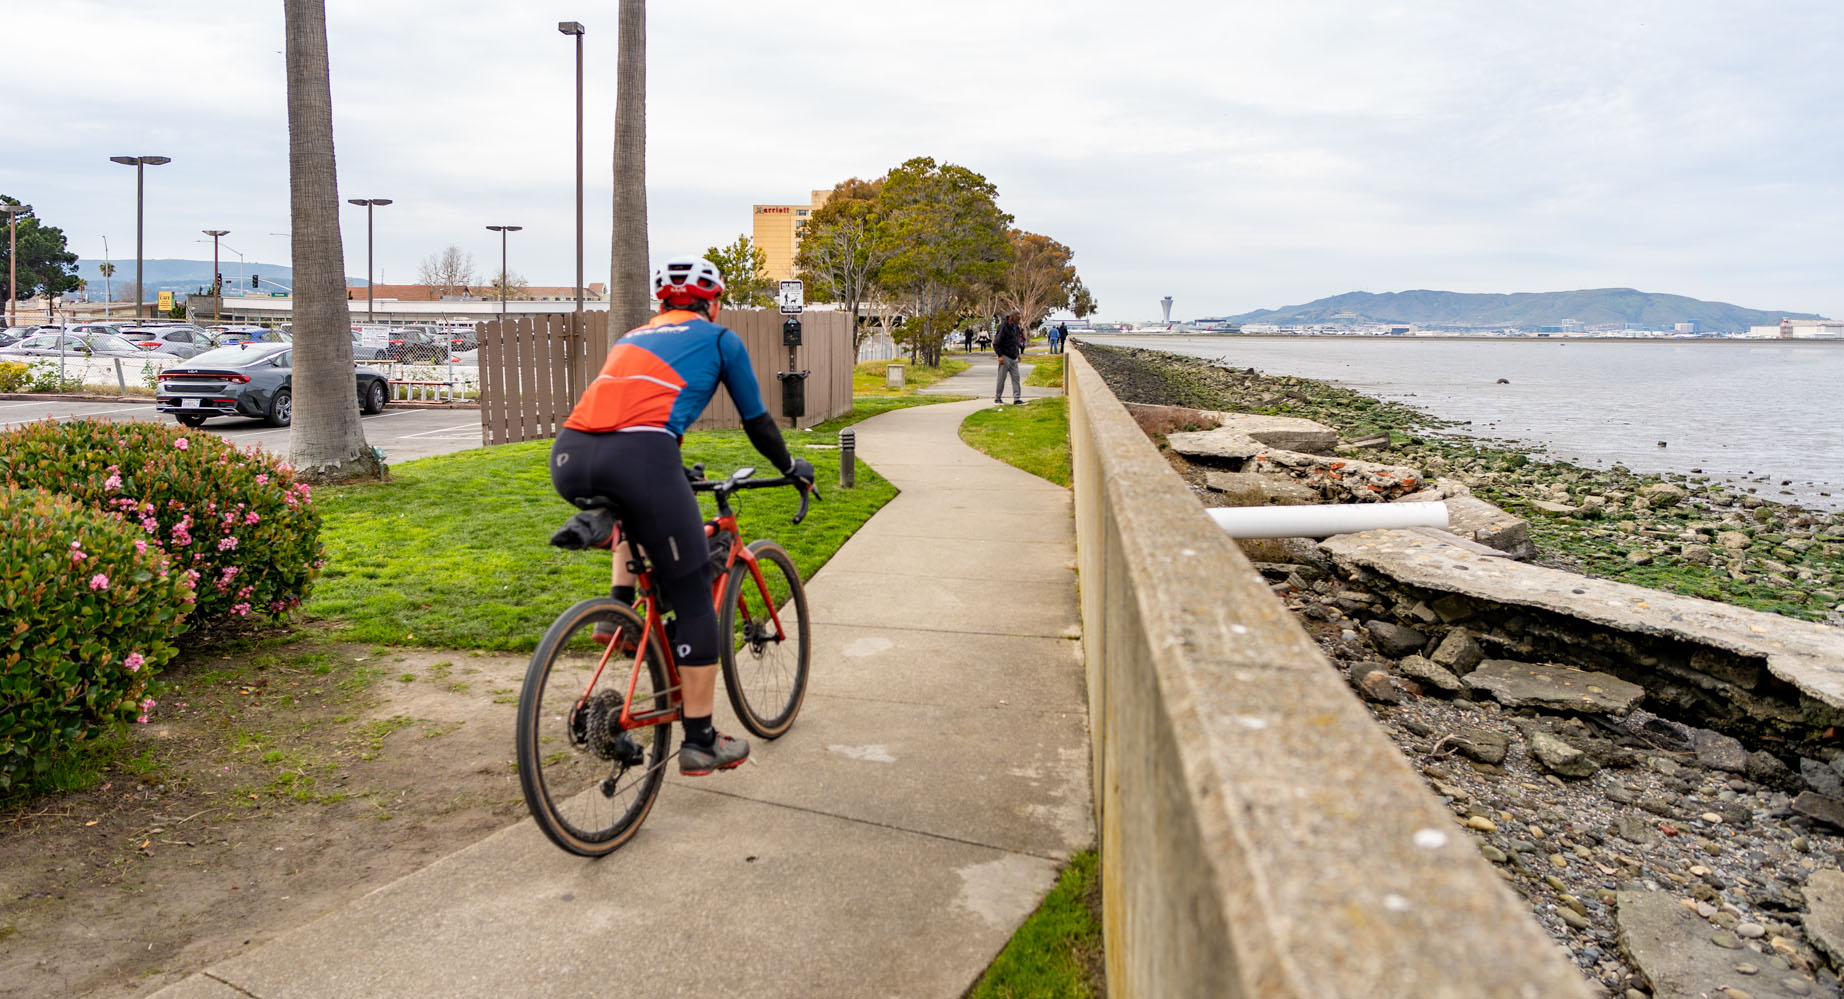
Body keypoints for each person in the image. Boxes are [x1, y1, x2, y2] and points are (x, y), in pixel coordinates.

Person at [549, 255, 815, 776]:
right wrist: (790, 466)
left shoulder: (630, 338)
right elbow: (758, 423)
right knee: (694, 595)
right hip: (642, 459)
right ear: (712, 302)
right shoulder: (720, 340)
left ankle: (617, 611)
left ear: (662, 303)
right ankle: (699, 740)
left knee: (638, 511)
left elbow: (630, 412)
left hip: (571, 456)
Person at [993, 312, 1024, 405]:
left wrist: (1017, 354)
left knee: (1016, 378)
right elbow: (996, 343)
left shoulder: (1016, 328)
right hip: (1005, 356)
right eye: (1017, 318)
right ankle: (997, 398)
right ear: (1012, 317)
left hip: (1014, 357)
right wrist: (1000, 355)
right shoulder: (1003, 327)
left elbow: (1015, 342)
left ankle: (1017, 399)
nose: (1019, 320)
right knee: (1001, 378)